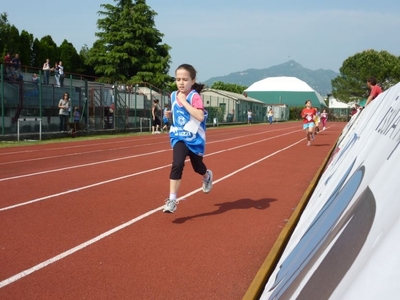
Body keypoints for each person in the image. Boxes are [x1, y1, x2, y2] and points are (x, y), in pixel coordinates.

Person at [162, 63, 213, 213]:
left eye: (185, 79)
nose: (181, 82)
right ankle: (172, 200)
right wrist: (169, 115)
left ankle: (207, 176)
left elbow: (199, 116)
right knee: (177, 164)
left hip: (194, 138)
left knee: (198, 167)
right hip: (179, 137)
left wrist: (184, 102)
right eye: (178, 79)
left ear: (192, 81)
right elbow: (177, 112)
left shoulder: (194, 96)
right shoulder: (172, 95)